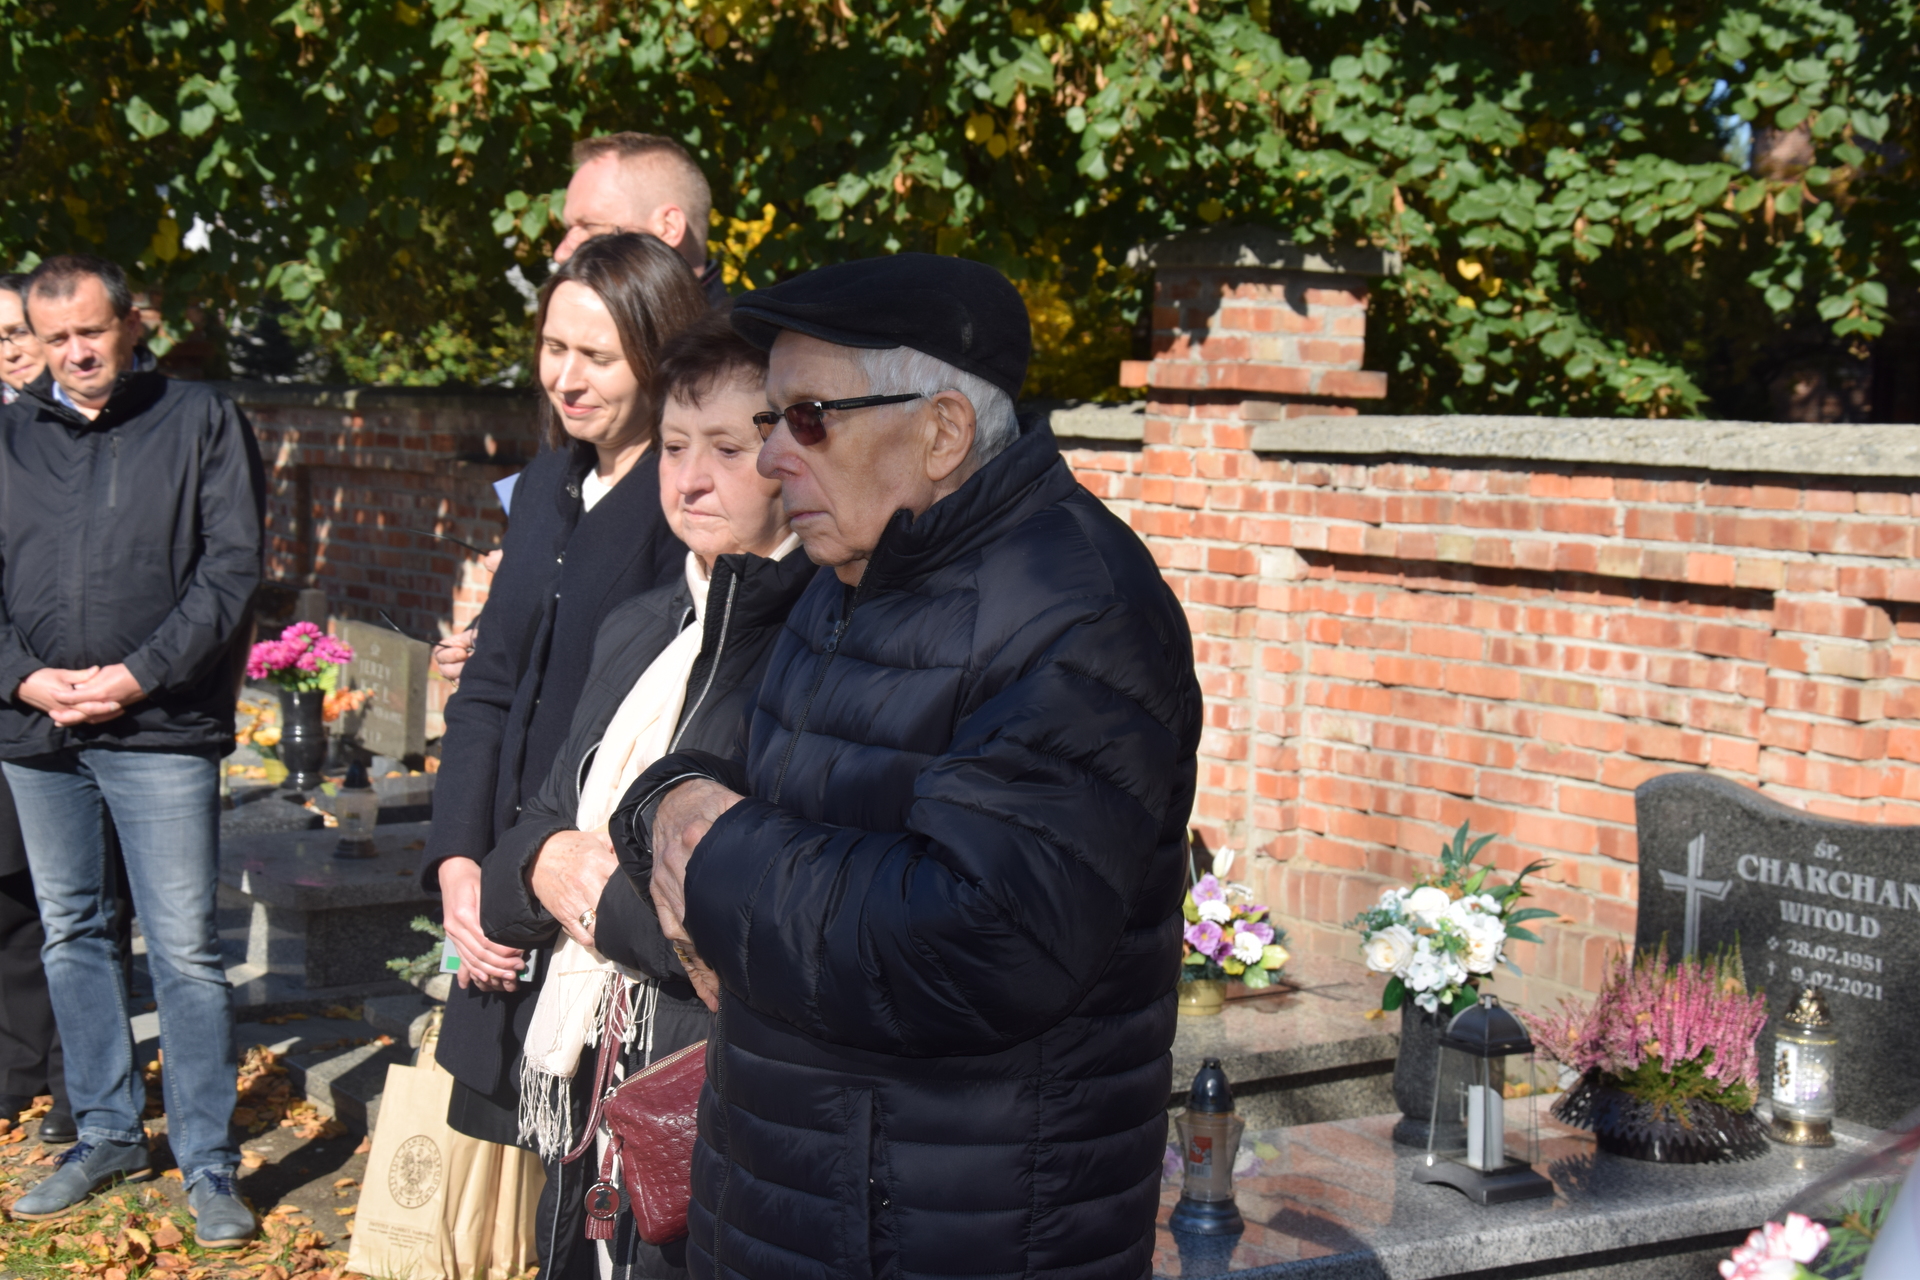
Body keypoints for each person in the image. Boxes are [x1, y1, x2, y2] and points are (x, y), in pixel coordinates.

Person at [623, 254, 1202, 1280]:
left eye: (805, 418)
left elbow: (980, 934)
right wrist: (667, 805)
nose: (768, 462)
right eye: (771, 420)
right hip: (781, 1207)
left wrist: (710, 856)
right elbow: (699, 761)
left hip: (946, 1236)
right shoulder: (839, 571)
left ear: (942, 431)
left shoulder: (1075, 609)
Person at [479, 312, 814, 1279]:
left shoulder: (813, 648)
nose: (690, 477)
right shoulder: (640, 624)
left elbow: (724, 920)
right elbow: (526, 842)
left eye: (726, 447)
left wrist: (579, 890)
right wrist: (552, 862)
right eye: (673, 445)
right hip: (583, 1077)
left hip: (706, 1092)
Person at [423, 234, 705, 1165]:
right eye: (553, 348)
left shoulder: (689, 505)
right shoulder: (547, 482)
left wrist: (529, 867)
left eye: (597, 356)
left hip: (590, 881)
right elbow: (492, 682)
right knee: (517, 1151)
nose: (566, 378)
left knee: (595, 1160)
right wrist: (459, 860)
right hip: (500, 869)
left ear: (660, 357)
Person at [0, 255, 265, 1244]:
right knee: (71, 928)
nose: (75, 353)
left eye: (92, 331)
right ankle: (108, 1132)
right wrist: (24, 676)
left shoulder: (198, 418)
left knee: (188, 950)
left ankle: (208, 1161)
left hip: (160, 726)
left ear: (130, 323)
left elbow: (231, 569)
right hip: (36, 729)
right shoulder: (10, 431)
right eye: (53, 335)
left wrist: (134, 675)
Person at [436, 134, 730, 686]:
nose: (561, 249)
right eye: (555, 350)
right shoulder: (573, 361)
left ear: (667, 227)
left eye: (589, 228)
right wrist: (504, 620)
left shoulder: (745, 367)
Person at [0, 273, 74, 1147]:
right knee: (13, 901)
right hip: (14, 687)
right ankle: (19, 1062)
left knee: (74, 906)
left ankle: (74, 1081)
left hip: (66, 698)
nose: (12, 348)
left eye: (21, 332)